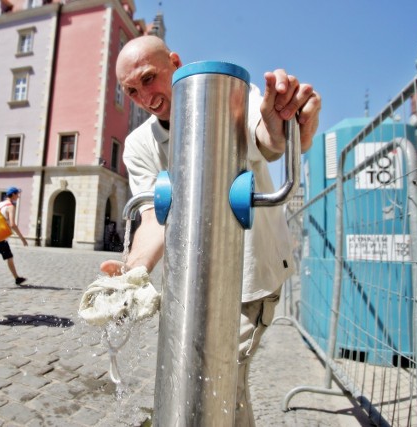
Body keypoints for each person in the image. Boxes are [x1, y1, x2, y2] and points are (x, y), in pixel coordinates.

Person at [100, 36, 321, 426]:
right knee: (211, 384)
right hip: (190, 285)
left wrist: (283, 129)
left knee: (219, 382)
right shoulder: (138, 145)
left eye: (149, 79)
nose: (144, 97)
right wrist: (131, 271)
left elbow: (265, 139)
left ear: (174, 62)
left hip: (249, 276)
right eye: (131, 91)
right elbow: (154, 218)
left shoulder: (229, 97)